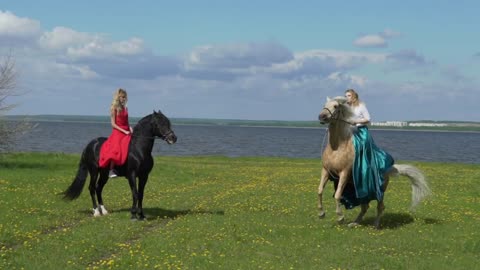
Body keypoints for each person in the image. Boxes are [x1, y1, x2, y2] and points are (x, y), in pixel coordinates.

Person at [343, 88, 394, 208]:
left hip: (361, 132)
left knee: (360, 147)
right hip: (349, 131)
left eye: (349, 95)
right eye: (345, 96)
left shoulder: (361, 106)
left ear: (354, 96)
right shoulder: (346, 107)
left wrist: (356, 122)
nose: (347, 98)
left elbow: (368, 119)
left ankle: (365, 166)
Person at [99, 88, 133, 178]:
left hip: (126, 130)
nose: (124, 99)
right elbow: (113, 124)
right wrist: (124, 131)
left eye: (125, 97)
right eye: (122, 97)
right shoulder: (114, 108)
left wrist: (130, 128)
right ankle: (111, 170)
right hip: (118, 131)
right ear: (118, 97)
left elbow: (126, 121)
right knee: (116, 148)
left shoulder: (126, 108)